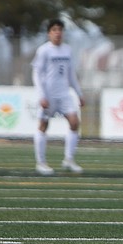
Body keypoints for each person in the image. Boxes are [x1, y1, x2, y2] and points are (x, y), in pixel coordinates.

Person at [31, 19, 86, 175]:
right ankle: (41, 163)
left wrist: (79, 94)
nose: (58, 33)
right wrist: (42, 95)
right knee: (43, 125)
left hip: (64, 94)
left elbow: (71, 74)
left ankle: (68, 160)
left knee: (74, 122)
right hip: (48, 95)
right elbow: (36, 74)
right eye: (54, 30)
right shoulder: (44, 50)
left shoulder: (67, 50)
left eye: (60, 30)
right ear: (49, 33)